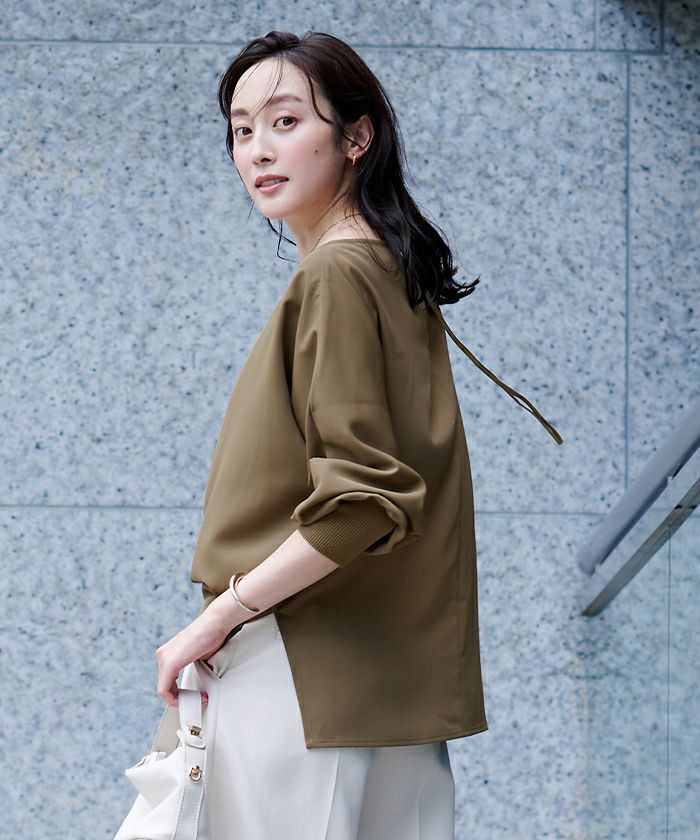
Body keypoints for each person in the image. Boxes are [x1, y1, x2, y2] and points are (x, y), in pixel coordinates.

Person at [153, 30, 562, 840]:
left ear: (356, 136)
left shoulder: (337, 278)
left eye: (285, 121)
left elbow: (363, 503)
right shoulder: (389, 274)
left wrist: (215, 619)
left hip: (302, 673)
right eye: (241, 129)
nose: (257, 150)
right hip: (392, 691)